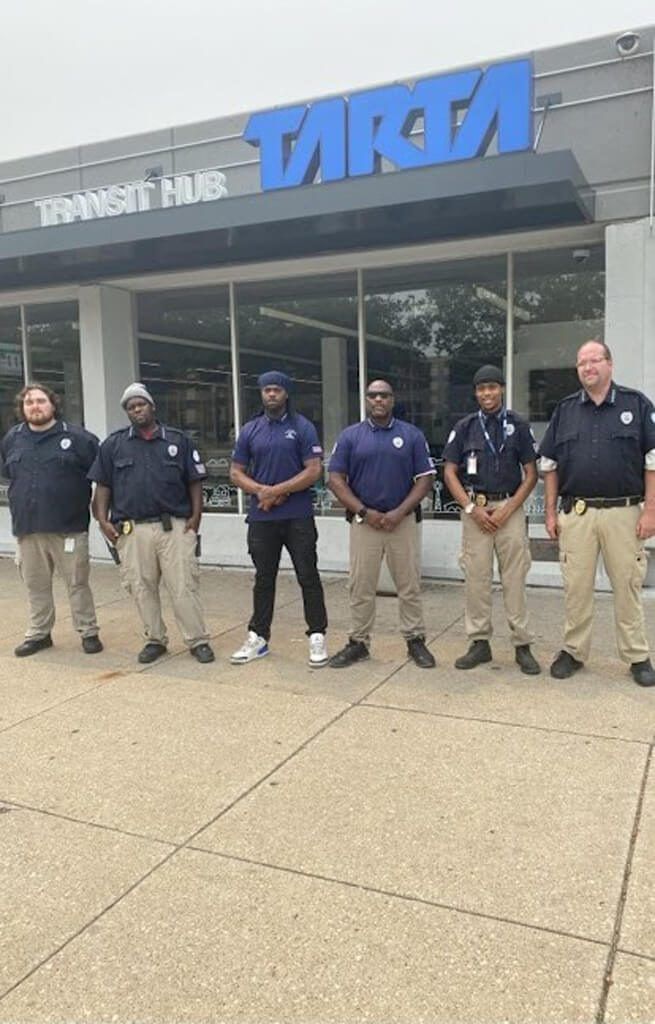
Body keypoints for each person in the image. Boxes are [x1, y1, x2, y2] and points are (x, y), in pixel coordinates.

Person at [539, 339, 655, 686]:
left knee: (627, 585)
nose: (587, 368)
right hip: (577, 514)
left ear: (609, 364)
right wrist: (549, 513)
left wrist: (651, 510)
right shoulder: (565, 409)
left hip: (624, 514)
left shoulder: (636, 405)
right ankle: (574, 651)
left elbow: (653, 462)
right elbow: (549, 465)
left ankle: (637, 656)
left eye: (594, 361)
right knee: (576, 586)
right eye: (581, 363)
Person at [89, 383, 215, 664]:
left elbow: (194, 482)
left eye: (141, 404)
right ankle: (155, 639)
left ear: (152, 406)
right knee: (141, 587)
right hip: (132, 530)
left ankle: (197, 640)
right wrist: (101, 520)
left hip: (175, 527)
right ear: (127, 412)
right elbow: (103, 486)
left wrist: (196, 517)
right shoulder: (113, 445)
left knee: (183, 586)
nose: (137, 410)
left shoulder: (178, 441)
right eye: (131, 407)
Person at [327, 379, 436, 668]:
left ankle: (415, 641)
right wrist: (364, 511)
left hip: (402, 522)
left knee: (409, 585)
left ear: (392, 399)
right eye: (373, 395)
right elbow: (335, 480)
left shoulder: (411, 435)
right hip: (365, 524)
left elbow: (426, 478)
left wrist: (400, 512)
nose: (378, 400)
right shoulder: (351, 436)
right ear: (366, 400)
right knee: (360, 586)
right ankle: (358, 643)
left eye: (384, 395)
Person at [443, 365, 540, 674]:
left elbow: (531, 473)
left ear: (501, 389)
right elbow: (449, 471)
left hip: (509, 510)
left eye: (492, 387)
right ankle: (479, 643)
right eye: (481, 388)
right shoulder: (465, 427)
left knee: (514, 578)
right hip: (476, 511)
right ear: (476, 393)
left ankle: (522, 645)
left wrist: (509, 509)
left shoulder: (519, 425)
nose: (487, 393)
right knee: (476, 579)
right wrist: (471, 509)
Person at [229, 370, 328, 667]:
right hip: (262, 517)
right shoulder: (250, 430)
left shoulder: (303, 427)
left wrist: (279, 490)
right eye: (266, 390)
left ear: (286, 393)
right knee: (264, 578)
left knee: (308, 576)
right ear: (261, 394)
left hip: (297, 516)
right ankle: (258, 637)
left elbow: (313, 470)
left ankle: (317, 635)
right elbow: (235, 473)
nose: (271, 394)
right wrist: (262, 492)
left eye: (277, 390)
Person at [0, 383, 102, 657]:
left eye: (41, 401)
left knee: (77, 584)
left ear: (53, 404)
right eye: (29, 402)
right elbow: (11, 476)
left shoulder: (80, 439)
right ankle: (39, 634)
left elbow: (102, 479)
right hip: (28, 529)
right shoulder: (12, 439)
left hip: (68, 528)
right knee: (36, 586)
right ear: (22, 408)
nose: (35, 406)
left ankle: (88, 632)